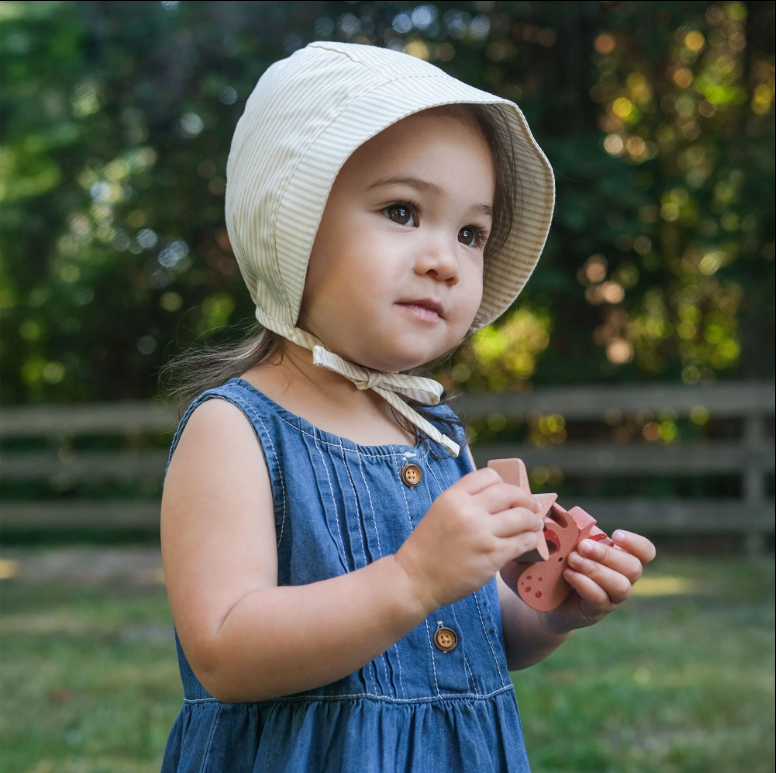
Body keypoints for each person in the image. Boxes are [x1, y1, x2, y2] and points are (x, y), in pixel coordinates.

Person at [159, 41, 656, 772]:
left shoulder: (434, 433)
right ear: (287, 227)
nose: (444, 259)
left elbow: (473, 633)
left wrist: (551, 611)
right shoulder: (233, 430)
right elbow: (226, 651)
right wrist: (411, 578)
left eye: (470, 233)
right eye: (401, 210)